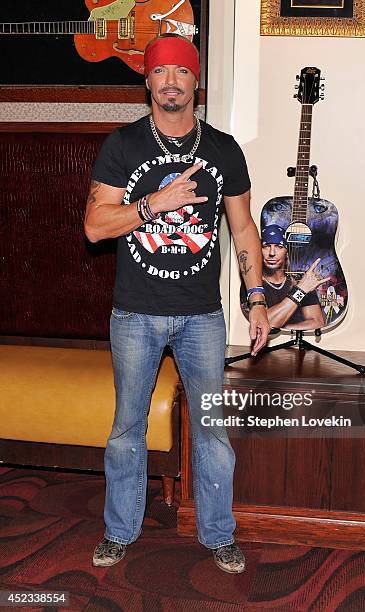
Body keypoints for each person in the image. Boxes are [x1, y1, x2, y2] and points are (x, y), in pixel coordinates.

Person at [84, 34, 270, 574]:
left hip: (202, 315)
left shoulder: (223, 150)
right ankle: (120, 530)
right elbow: (96, 226)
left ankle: (218, 534)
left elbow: (243, 228)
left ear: (195, 82)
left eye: (181, 72)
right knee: (126, 429)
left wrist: (256, 300)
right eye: (160, 71)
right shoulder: (122, 146)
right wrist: (154, 203)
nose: (170, 81)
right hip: (135, 313)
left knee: (211, 429)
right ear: (147, 81)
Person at [241, 225, 327, 330]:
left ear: (287, 252)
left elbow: (317, 322)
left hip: (296, 345)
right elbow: (262, 322)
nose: (272, 253)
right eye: (266, 246)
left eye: (279, 246)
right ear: (259, 250)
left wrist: (282, 329)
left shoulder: (301, 279)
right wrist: (300, 291)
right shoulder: (253, 282)